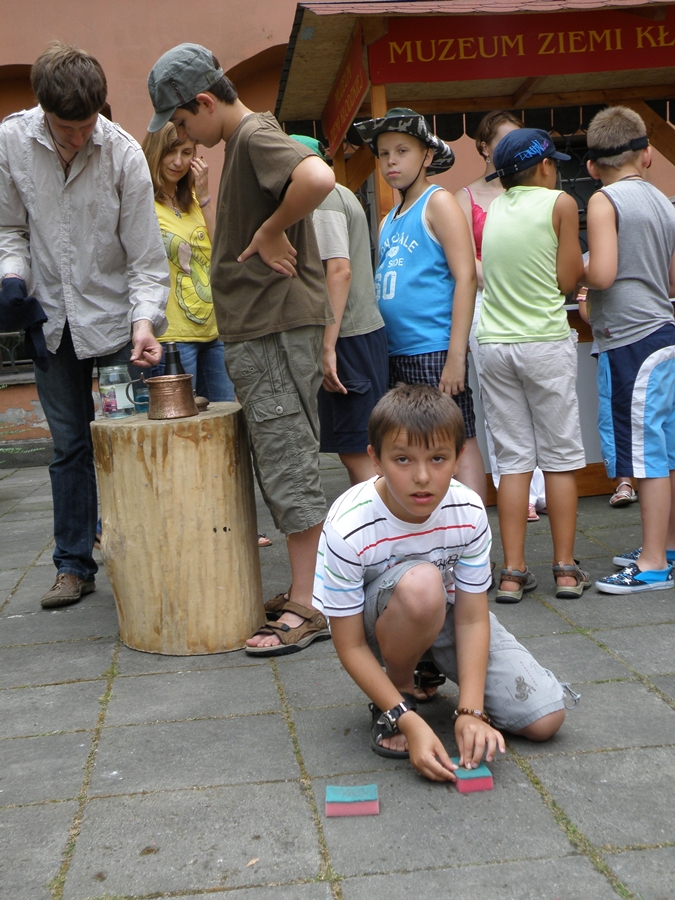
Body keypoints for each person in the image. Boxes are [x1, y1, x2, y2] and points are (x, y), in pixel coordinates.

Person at [147, 44, 335, 653]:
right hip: (262, 330)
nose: (184, 137)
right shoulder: (245, 141)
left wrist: (271, 228)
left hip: (274, 329)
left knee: (289, 463)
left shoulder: (252, 134)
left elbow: (318, 175)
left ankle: (310, 604)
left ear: (202, 102)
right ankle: (308, 587)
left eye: (180, 123)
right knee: (282, 461)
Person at [313, 383, 566, 780]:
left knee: (545, 718)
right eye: (402, 459)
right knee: (422, 584)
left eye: (437, 458)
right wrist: (410, 724)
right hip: (377, 625)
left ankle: (425, 665)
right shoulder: (349, 524)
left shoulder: (467, 511)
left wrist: (470, 710)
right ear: (375, 460)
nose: (422, 476)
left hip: (443, 615)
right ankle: (397, 699)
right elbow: (349, 644)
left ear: (459, 458)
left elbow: (471, 618)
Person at [0, 43, 168, 609]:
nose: (78, 138)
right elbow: (8, 230)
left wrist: (146, 323)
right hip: (49, 322)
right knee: (69, 447)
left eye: (87, 124)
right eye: (66, 128)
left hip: (118, 324)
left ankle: (142, 553)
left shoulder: (124, 156)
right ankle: (74, 565)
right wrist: (12, 280)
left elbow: (146, 261)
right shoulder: (11, 142)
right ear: (42, 110)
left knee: (124, 443)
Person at [475, 128, 588, 603]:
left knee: (514, 460)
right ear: (544, 166)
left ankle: (513, 573)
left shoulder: (494, 207)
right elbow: (567, 281)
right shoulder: (559, 203)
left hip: (494, 346)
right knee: (560, 459)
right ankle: (564, 568)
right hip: (542, 342)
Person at [354, 109, 486, 502]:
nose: (391, 161)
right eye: (382, 154)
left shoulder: (438, 202)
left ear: (427, 156)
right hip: (397, 352)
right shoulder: (388, 219)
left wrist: (456, 356)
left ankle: (473, 528)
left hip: (435, 348)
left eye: (402, 151)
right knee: (415, 444)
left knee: (456, 439)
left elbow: (467, 276)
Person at [583, 106, 675, 594]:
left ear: (593, 166)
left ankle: (654, 562)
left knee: (645, 457)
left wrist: (571, 275)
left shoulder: (604, 201)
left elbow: (601, 274)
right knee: (668, 448)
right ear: (645, 154)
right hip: (665, 332)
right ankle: (668, 547)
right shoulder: (664, 202)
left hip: (632, 342)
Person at [290, 135, 388, 487]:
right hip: (354, 334)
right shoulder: (340, 193)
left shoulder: (323, 198)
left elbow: (339, 270)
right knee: (359, 447)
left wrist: (327, 347)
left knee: (358, 450)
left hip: (347, 336)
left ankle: (380, 532)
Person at [141, 123, 235, 402]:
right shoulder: (142, 201)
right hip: (170, 336)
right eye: (171, 152)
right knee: (177, 428)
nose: (179, 162)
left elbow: (221, 250)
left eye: (187, 152)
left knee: (224, 421)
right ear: (156, 151)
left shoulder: (192, 200)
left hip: (213, 331)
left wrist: (204, 196)